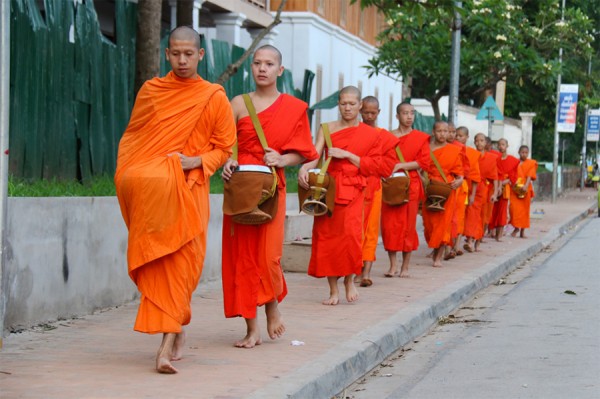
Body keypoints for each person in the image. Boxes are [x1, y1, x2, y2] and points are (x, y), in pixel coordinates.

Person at [114, 26, 236, 374]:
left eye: (189, 54)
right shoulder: (151, 91)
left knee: (182, 269)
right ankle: (167, 345)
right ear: (166, 54)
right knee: (160, 265)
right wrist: (132, 178)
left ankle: (170, 337)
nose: (182, 61)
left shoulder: (213, 97)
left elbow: (224, 148)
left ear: (200, 55)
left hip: (190, 193)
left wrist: (194, 161)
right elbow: (133, 142)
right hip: (155, 202)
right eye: (176, 54)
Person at [221, 45, 318, 348]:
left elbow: (304, 153)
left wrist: (281, 160)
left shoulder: (294, 107)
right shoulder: (238, 103)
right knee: (242, 258)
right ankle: (252, 328)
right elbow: (223, 144)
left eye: (269, 63)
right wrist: (226, 161)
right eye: (257, 63)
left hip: (271, 188)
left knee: (268, 256)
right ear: (252, 68)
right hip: (240, 188)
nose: (263, 68)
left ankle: (272, 307)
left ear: (280, 70)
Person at [300, 86, 382, 305]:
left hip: (354, 188)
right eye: (343, 103)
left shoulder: (370, 134)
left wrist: (347, 154)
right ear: (338, 103)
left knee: (351, 238)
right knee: (327, 238)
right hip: (328, 190)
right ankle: (333, 290)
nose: (347, 108)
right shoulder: (327, 128)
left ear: (360, 105)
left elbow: (374, 164)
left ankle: (349, 281)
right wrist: (305, 168)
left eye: (352, 104)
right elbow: (315, 154)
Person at [380, 102, 431, 278]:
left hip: (411, 184)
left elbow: (424, 162)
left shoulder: (420, 138)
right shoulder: (387, 137)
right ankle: (393, 265)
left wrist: (400, 165)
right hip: (391, 184)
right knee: (390, 225)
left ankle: (405, 267)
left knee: (408, 226)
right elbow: (381, 158)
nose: (409, 117)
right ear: (397, 116)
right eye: (405, 113)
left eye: (412, 113)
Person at [356, 96, 398, 287]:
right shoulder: (353, 132)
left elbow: (389, 164)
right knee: (355, 229)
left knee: (372, 229)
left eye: (373, 113)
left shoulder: (384, 136)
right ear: (360, 111)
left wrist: (370, 165)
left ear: (379, 112)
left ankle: (366, 272)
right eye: (366, 112)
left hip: (374, 185)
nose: (369, 116)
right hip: (354, 184)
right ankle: (354, 269)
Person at [421, 121, 463, 268]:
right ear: (433, 132)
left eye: (445, 131)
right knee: (429, 224)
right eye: (439, 131)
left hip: (446, 189)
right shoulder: (426, 149)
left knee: (443, 223)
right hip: (429, 188)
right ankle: (434, 247)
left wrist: (460, 181)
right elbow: (420, 167)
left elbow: (459, 173)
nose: (442, 134)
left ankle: (438, 256)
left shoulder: (453, 150)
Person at [463, 133, 499, 252]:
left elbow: (495, 177)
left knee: (481, 216)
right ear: (474, 142)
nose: (479, 143)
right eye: (477, 140)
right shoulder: (471, 154)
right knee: (471, 214)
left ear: (486, 143)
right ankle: (470, 239)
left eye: (482, 140)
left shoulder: (491, 158)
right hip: (469, 186)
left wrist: (494, 193)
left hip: (482, 189)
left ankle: (476, 240)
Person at [444, 122, 471, 260]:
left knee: (457, 216)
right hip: (441, 184)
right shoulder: (438, 146)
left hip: (458, 185)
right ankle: (445, 246)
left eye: (453, 132)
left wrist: (459, 178)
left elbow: (465, 168)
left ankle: (455, 246)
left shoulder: (460, 148)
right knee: (443, 217)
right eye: (447, 131)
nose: (450, 134)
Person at [453, 126, 480, 255]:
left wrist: (473, 194)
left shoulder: (473, 154)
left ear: (467, 137)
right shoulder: (450, 149)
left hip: (464, 187)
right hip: (451, 185)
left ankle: (457, 245)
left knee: (460, 217)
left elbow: (475, 177)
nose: (458, 138)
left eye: (461, 136)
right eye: (456, 135)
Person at [488, 138, 519, 241]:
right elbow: (493, 173)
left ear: (507, 146)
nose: (501, 146)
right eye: (499, 145)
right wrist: (498, 183)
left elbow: (513, 177)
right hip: (495, 186)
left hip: (505, 188)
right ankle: (491, 231)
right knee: (493, 210)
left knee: (502, 211)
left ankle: (499, 235)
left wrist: (503, 182)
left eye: (503, 144)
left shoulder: (513, 161)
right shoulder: (495, 159)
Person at [509, 145, 537, 238]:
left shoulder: (531, 163)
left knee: (525, 210)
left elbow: (529, 176)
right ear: (519, 152)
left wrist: (526, 186)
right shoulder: (514, 163)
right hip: (515, 188)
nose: (524, 154)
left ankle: (522, 231)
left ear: (528, 153)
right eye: (522, 152)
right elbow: (511, 174)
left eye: (526, 153)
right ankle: (516, 227)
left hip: (525, 188)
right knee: (513, 209)